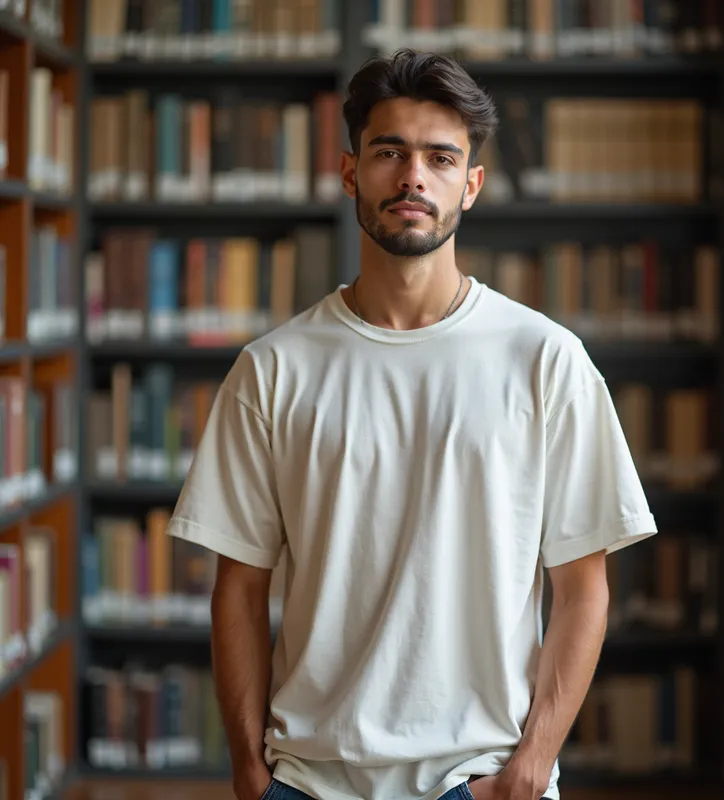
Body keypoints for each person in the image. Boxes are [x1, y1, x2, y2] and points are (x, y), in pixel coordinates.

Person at [166, 48, 657, 800]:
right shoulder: (273, 369)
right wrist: (250, 774)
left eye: (439, 157)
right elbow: (238, 586)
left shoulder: (546, 360)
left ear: (472, 184)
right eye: (389, 151)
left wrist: (530, 769)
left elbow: (584, 588)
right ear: (349, 172)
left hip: (481, 779)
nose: (412, 177)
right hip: (309, 780)